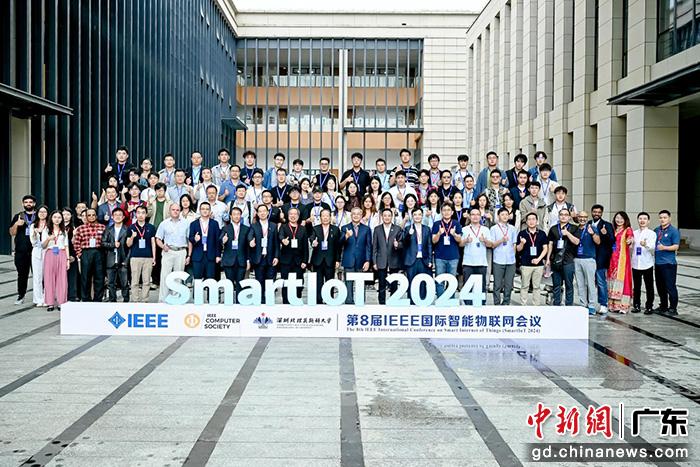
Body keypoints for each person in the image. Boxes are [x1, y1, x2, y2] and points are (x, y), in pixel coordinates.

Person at [155, 203, 189, 302]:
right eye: (173, 210)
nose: (175, 211)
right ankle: (162, 300)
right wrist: (163, 246)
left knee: (178, 277)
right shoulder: (164, 223)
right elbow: (158, 238)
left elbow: (189, 240)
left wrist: (189, 255)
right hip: (168, 251)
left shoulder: (186, 223)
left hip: (181, 251)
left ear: (180, 211)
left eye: (177, 210)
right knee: (165, 276)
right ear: (169, 211)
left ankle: (176, 300)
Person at [546, 208, 580, 306]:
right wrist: (548, 259)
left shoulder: (574, 228)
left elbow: (577, 242)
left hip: (568, 260)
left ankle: (569, 305)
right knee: (556, 284)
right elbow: (550, 244)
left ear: (569, 217)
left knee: (569, 284)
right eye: (561, 214)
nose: (563, 217)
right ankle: (557, 304)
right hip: (555, 260)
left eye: (566, 215)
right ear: (559, 216)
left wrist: (567, 233)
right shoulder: (553, 229)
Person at [73, 208, 107, 302]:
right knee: (85, 277)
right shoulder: (81, 228)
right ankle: (86, 299)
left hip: (99, 252)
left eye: (93, 215)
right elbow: (76, 242)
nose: (91, 217)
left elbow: (106, 241)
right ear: (86, 217)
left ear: (96, 216)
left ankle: (98, 299)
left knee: (99, 277)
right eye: (89, 215)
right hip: (86, 252)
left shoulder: (102, 227)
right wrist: (80, 254)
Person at [340, 207, 372, 304]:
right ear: (351, 215)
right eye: (354, 214)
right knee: (348, 285)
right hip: (349, 260)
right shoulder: (344, 228)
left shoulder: (366, 229)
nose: (356, 215)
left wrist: (368, 261)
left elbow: (368, 246)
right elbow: (339, 243)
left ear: (361, 215)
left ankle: (360, 304)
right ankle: (349, 303)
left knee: (360, 285)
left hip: (361, 261)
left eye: (358, 214)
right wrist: (346, 236)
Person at [9, 195, 37, 304]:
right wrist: (17, 224)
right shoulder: (18, 216)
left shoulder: (39, 215)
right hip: (21, 251)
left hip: (36, 250)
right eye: (26, 202)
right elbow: (12, 233)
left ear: (34, 204)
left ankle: (41, 296)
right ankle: (21, 295)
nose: (28, 204)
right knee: (22, 275)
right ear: (23, 204)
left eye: (30, 202)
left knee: (39, 274)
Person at [460, 208, 492, 305]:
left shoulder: (485, 229)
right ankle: (468, 307)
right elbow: (460, 244)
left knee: (481, 288)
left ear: (480, 216)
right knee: (468, 288)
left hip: (481, 263)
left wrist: (484, 240)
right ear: (469, 216)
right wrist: (466, 240)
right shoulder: (464, 229)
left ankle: (481, 307)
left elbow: (490, 245)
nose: (475, 216)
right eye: (473, 214)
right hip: (468, 263)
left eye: (477, 214)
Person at [248, 204, 279, 300]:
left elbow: (276, 243)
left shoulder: (273, 226)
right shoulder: (254, 226)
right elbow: (250, 236)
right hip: (259, 259)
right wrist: (250, 241)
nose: (262, 213)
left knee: (270, 282)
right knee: (259, 282)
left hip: (271, 258)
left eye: (264, 211)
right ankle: (261, 301)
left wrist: (276, 256)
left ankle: (269, 301)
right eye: (260, 211)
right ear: (257, 213)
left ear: (268, 212)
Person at [277, 207, 308, 304]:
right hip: (285, 261)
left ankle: (297, 301)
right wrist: (283, 240)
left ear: (298, 216)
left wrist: (305, 261)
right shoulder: (283, 227)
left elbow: (305, 247)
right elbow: (280, 236)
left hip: (299, 261)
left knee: (299, 283)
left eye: (295, 214)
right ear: (288, 215)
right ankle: (286, 303)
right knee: (285, 283)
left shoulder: (303, 229)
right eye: (291, 214)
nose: (293, 216)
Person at [516, 212, 549, 306]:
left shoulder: (542, 233)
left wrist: (538, 259)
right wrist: (522, 243)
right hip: (525, 264)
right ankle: (523, 305)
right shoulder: (522, 233)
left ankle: (536, 305)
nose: (531, 221)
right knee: (524, 286)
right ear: (526, 222)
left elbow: (545, 248)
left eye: (533, 219)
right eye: (529, 219)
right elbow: (518, 249)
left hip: (538, 265)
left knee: (537, 286)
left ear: (537, 221)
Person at [372, 208, 403, 305]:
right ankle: (381, 304)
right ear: (382, 217)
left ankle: (393, 302)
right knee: (381, 284)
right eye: (385, 215)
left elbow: (402, 244)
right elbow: (374, 247)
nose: (387, 217)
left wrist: (398, 245)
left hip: (394, 259)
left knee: (394, 284)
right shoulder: (377, 229)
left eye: (389, 215)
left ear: (392, 217)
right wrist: (374, 262)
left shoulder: (397, 228)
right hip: (381, 260)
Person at [309, 209, 341, 302]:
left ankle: (329, 300)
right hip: (318, 260)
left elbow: (338, 246)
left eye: (327, 216)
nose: (325, 218)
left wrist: (337, 260)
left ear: (330, 217)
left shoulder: (335, 229)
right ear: (320, 217)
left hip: (330, 260)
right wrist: (313, 242)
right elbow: (312, 238)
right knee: (318, 283)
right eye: (323, 216)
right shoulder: (315, 228)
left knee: (330, 282)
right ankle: (318, 301)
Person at [220, 206, 251, 302]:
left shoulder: (246, 229)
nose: (236, 216)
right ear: (230, 216)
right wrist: (223, 241)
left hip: (241, 260)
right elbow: (220, 240)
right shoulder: (225, 228)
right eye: (234, 214)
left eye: (238, 214)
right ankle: (229, 304)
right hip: (229, 260)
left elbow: (248, 247)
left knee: (240, 284)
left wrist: (248, 260)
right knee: (229, 284)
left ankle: (239, 304)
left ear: (241, 216)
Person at [402, 207, 433, 304]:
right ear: (412, 216)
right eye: (415, 215)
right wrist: (408, 234)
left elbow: (429, 245)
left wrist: (430, 260)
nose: (417, 216)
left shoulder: (427, 229)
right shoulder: (408, 228)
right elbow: (404, 244)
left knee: (423, 282)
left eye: (419, 214)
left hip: (424, 260)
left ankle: (422, 302)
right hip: (411, 260)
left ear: (422, 216)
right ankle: (411, 304)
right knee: (411, 282)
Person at [431, 203, 463, 297]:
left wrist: (454, 234)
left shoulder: (456, 223)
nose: (446, 212)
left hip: (453, 256)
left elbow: (459, 240)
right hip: (440, 256)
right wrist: (439, 233)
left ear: (452, 212)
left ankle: (451, 301)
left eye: (448, 210)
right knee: (439, 280)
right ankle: (440, 300)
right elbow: (434, 241)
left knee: (451, 281)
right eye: (444, 210)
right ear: (441, 212)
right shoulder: (437, 224)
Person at [126, 205, 157, 302]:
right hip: (135, 257)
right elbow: (128, 244)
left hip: (148, 257)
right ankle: (135, 301)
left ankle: (145, 301)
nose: (140, 215)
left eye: (143, 213)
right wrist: (132, 237)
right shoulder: (131, 227)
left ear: (146, 214)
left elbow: (153, 243)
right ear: (135, 214)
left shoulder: (151, 227)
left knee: (146, 281)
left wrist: (154, 257)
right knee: (134, 281)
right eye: (138, 212)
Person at [41, 211, 70, 311]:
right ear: (51, 218)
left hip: (61, 253)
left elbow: (66, 246)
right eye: (55, 217)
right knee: (49, 278)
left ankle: (61, 302)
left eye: (59, 217)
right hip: (50, 253)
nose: (57, 219)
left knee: (62, 278)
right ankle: (50, 303)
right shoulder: (46, 230)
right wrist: (49, 239)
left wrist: (67, 260)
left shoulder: (64, 231)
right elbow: (43, 246)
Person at [573, 211, 600, 315]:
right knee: (580, 283)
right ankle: (583, 304)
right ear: (577, 218)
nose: (582, 219)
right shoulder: (575, 229)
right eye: (580, 217)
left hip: (589, 259)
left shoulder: (592, 228)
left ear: (587, 218)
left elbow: (598, 241)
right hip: (577, 259)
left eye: (584, 217)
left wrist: (592, 234)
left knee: (590, 283)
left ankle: (592, 305)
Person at [654, 210, 680, 316]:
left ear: (669, 218)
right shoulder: (657, 230)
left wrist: (664, 247)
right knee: (660, 286)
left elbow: (676, 246)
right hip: (658, 263)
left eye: (665, 217)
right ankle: (663, 306)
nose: (662, 219)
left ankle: (673, 308)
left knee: (670, 286)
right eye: (661, 217)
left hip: (669, 263)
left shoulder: (674, 231)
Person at [607, 211, 634, 313]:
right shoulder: (613, 230)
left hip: (621, 260)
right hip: (611, 260)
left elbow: (630, 237)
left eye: (621, 218)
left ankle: (622, 306)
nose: (619, 220)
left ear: (625, 220)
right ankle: (613, 305)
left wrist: (630, 240)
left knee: (623, 280)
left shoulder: (627, 229)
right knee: (611, 280)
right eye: (617, 218)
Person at [490, 208, 518, 305]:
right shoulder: (493, 229)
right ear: (498, 216)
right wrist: (501, 240)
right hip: (498, 260)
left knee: (509, 284)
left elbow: (514, 244)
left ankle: (506, 303)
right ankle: (497, 303)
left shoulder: (513, 228)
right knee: (497, 284)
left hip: (511, 260)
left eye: (506, 214)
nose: (505, 216)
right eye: (502, 214)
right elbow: (492, 245)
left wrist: (514, 256)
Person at [102, 208, 130, 302]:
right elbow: (103, 243)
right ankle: (112, 301)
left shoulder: (127, 229)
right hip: (110, 260)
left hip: (123, 260)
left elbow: (130, 247)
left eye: (120, 215)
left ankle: (126, 301)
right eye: (115, 215)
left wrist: (126, 261)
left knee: (124, 283)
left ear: (123, 217)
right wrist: (113, 245)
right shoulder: (108, 229)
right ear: (112, 217)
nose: (118, 217)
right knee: (111, 284)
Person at [188, 202, 222, 280]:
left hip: (211, 256)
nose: (205, 211)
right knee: (197, 280)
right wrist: (195, 239)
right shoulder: (193, 224)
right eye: (203, 209)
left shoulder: (215, 223)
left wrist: (218, 255)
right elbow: (190, 238)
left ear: (210, 211)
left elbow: (217, 241)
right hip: (197, 256)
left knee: (210, 280)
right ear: (200, 210)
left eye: (207, 209)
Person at [591, 204, 615, 314]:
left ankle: (603, 304)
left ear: (601, 213)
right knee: (590, 282)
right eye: (595, 212)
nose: (596, 214)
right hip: (589, 257)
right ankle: (590, 303)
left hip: (601, 258)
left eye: (598, 212)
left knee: (601, 281)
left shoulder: (607, 225)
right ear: (592, 212)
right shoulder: (588, 224)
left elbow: (612, 240)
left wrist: (605, 234)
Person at [632, 212, 656, 314]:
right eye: (640, 219)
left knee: (649, 286)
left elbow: (652, 247)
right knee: (636, 287)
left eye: (644, 219)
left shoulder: (651, 233)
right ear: (638, 220)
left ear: (648, 221)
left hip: (647, 263)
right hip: (635, 263)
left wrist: (645, 244)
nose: (642, 221)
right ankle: (636, 305)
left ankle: (649, 306)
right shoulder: (634, 233)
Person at [29, 206, 49, 307]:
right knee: (37, 276)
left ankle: (47, 298)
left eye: (44, 212)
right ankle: (38, 299)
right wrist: (35, 233)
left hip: (47, 251)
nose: (42, 213)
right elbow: (32, 241)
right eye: (40, 212)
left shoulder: (49, 225)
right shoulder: (33, 225)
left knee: (47, 275)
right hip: (37, 250)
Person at [62, 207, 80, 301]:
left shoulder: (74, 227)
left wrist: (73, 255)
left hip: (72, 254)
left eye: (68, 214)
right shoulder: (57, 227)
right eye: (63, 214)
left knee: (72, 276)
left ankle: (72, 296)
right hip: (60, 254)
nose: (65, 216)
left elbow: (76, 243)